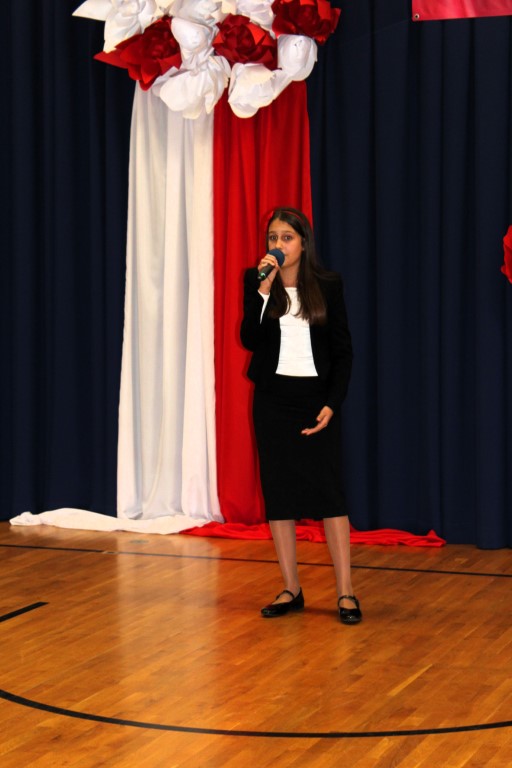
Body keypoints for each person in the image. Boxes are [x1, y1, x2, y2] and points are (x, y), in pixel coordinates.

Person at [240, 207, 361, 625]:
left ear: (303, 243)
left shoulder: (328, 285)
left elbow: (343, 351)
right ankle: (291, 588)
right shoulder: (257, 281)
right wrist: (261, 292)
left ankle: (346, 591)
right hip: (273, 401)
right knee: (280, 496)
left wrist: (332, 403)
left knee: (330, 496)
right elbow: (249, 339)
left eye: (287, 238)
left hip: (316, 400)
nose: (278, 245)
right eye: (273, 237)